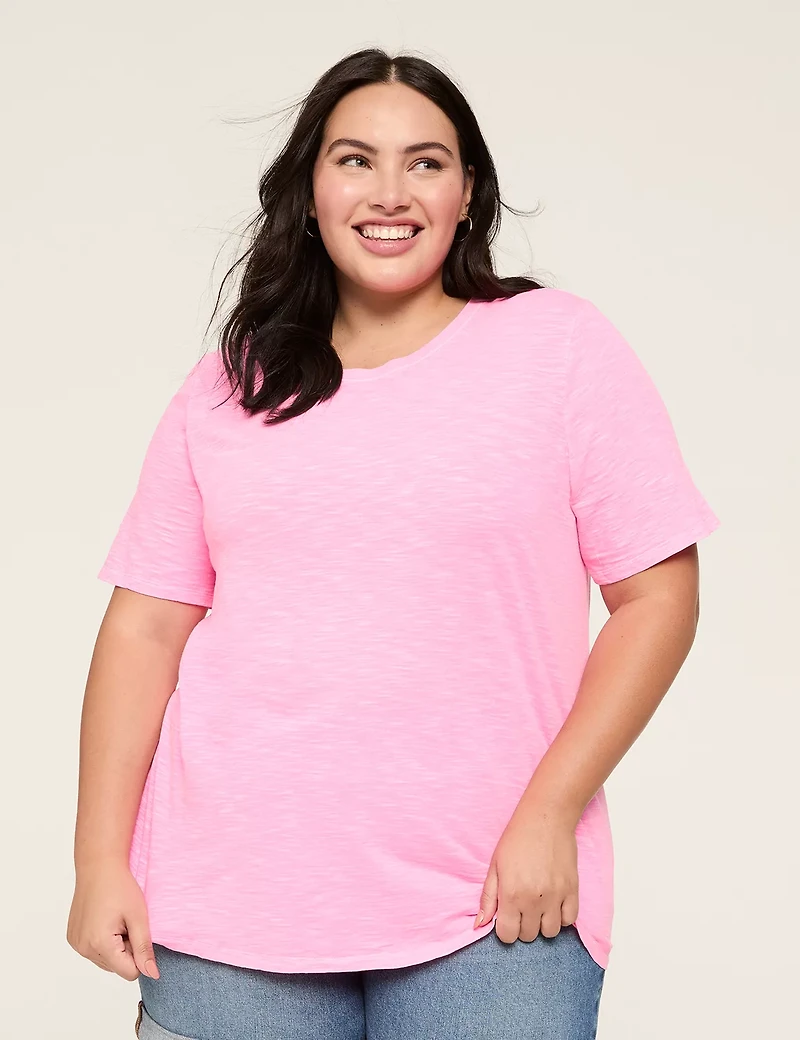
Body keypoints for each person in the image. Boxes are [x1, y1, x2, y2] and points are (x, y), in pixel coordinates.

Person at [67, 47, 721, 1040]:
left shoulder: (557, 349)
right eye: (354, 160)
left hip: (493, 897)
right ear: (310, 192)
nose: (389, 193)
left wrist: (551, 811)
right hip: (230, 898)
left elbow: (658, 597)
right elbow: (145, 629)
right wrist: (98, 860)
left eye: (424, 162)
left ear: (468, 193)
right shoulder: (228, 388)